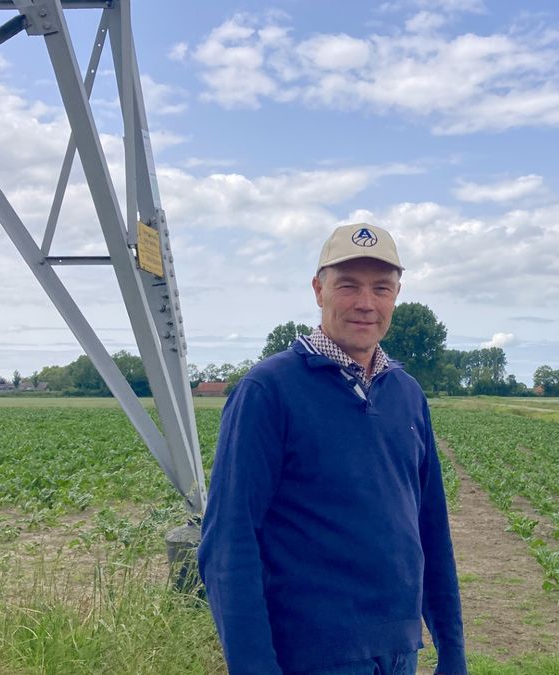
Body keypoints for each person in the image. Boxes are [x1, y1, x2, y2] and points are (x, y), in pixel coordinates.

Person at [198, 223, 466, 674]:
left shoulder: (406, 393)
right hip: (313, 655)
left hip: (400, 653)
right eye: (348, 286)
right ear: (318, 289)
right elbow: (230, 542)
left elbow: (431, 529)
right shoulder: (269, 390)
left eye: (382, 288)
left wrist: (453, 652)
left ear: (396, 296)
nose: (366, 302)